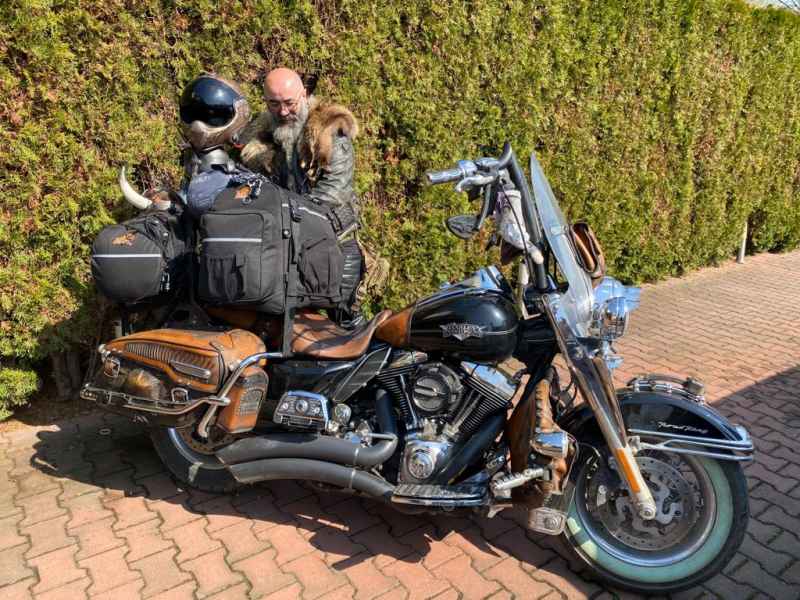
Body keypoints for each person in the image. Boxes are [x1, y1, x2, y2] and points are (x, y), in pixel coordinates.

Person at [240, 68, 388, 324]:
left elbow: (331, 196)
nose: (282, 111)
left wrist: (282, 220)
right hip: (285, 243)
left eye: (289, 103)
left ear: (304, 94)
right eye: (273, 104)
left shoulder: (331, 135)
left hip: (333, 244)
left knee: (345, 326)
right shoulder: (262, 135)